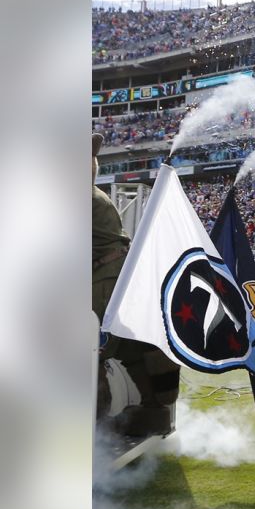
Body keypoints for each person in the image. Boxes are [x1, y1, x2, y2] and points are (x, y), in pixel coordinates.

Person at [92, 133, 179, 436]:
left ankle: (96, 429)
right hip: (113, 278)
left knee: (90, 354)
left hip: (102, 283)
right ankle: (155, 412)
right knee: (130, 352)